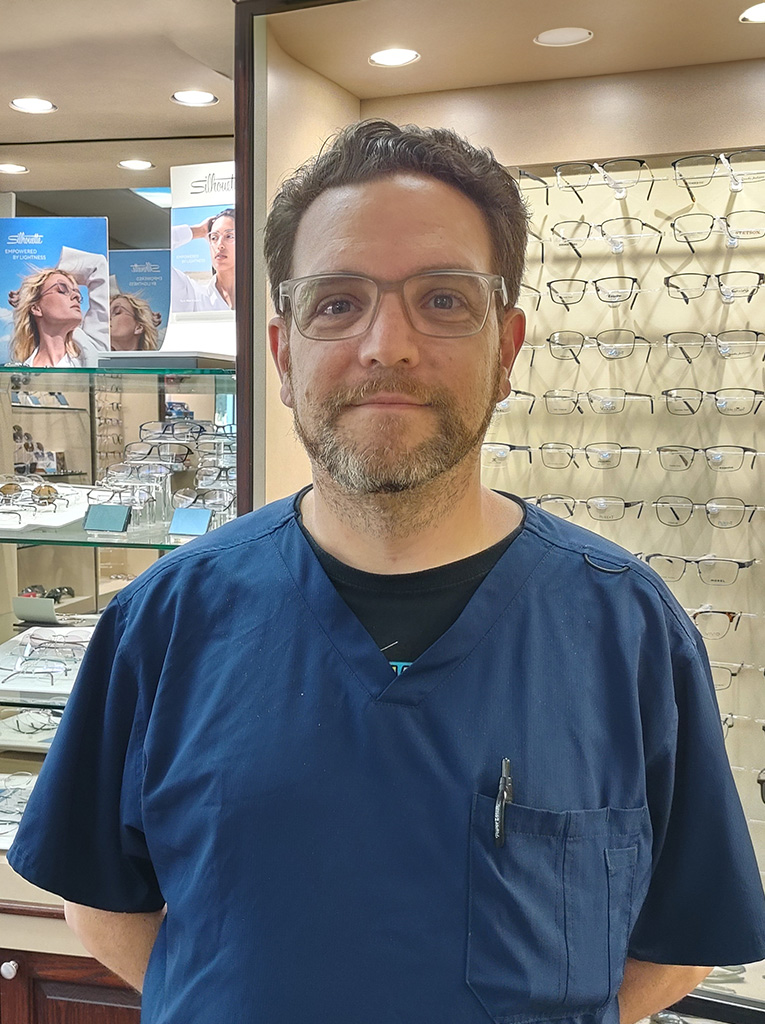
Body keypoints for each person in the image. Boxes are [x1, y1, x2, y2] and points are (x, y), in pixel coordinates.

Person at [8, 120, 765, 1024]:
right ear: (284, 355)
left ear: (508, 347)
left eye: (443, 300)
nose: (387, 346)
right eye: (337, 303)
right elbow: (100, 902)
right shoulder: (166, 620)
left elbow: (676, 944)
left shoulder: (624, 628)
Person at [8, 247, 109, 367]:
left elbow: (97, 264)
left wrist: (50, 275)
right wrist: (31, 290)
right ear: (36, 308)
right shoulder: (20, 373)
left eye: (77, 292)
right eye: (62, 290)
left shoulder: (92, 348)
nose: (76, 296)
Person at [170, 207, 235, 312]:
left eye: (229, 236)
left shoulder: (260, 293)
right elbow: (153, 247)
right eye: (214, 237)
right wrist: (199, 231)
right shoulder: (194, 297)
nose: (219, 245)